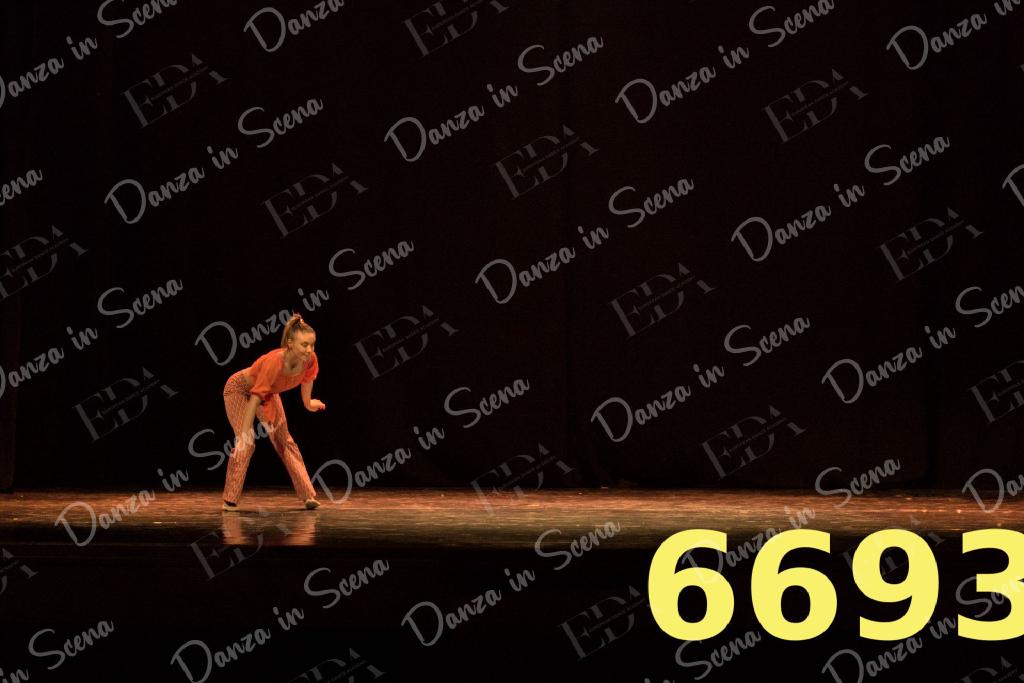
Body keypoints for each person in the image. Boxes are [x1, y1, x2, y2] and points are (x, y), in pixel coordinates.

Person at [221, 312, 326, 511]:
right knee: (247, 443)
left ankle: (307, 495)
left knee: (284, 440)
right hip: (239, 390)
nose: (309, 350)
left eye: (312, 345)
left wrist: (309, 403)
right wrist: (243, 433)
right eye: (304, 345)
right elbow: (255, 398)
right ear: (290, 344)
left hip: (268, 394)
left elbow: (307, 382)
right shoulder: (275, 362)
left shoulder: (310, 360)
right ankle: (230, 499)